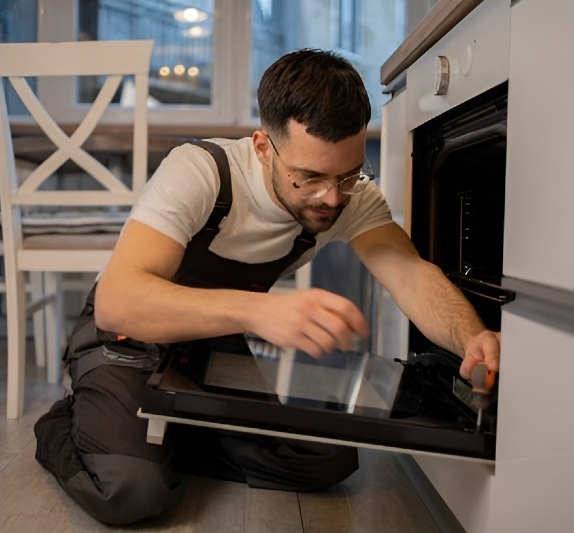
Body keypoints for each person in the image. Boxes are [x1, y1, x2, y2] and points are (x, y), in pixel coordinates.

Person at [34, 48, 501, 526]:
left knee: (326, 459)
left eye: (347, 174)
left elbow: (411, 274)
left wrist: (471, 337)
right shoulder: (201, 171)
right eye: (310, 177)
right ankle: (78, 423)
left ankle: (161, 435)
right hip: (127, 342)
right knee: (132, 494)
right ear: (263, 147)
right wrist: (259, 312)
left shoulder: (348, 196)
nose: (332, 196)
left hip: (210, 347)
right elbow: (118, 304)